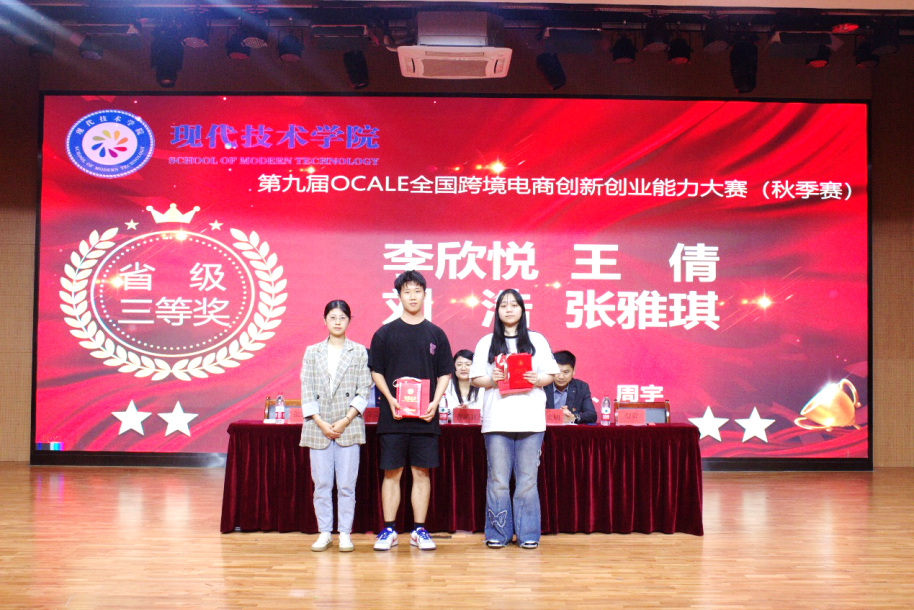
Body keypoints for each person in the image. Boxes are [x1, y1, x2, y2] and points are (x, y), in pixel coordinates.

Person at [368, 270, 454, 551]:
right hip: (392, 415)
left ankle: (419, 530)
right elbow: (376, 371)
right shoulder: (384, 333)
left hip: (425, 416)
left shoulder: (436, 334)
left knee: (421, 473)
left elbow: (445, 373)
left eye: (418, 291)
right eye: (407, 291)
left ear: (425, 295)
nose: (413, 296)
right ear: (399, 296)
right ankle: (389, 530)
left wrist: (435, 402)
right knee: (391, 473)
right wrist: (390, 398)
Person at [470, 289, 558, 550]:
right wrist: (492, 380)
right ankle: (498, 533)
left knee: (527, 480)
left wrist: (536, 379)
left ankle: (528, 533)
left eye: (514, 305)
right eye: (503, 305)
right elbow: (475, 378)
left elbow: (550, 374)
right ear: (497, 311)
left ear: (522, 309)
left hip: (530, 421)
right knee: (498, 480)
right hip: (497, 421)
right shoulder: (486, 342)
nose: (509, 309)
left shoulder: (536, 340)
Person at [299, 300, 371, 553]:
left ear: (349, 320)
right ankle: (325, 532)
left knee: (346, 486)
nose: (337, 322)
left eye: (342, 317)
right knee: (321, 484)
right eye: (332, 317)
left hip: (348, 425)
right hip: (318, 426)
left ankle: (345, 534)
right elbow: (306, 389)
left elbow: (364, 389)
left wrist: (346, 419)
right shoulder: (312, 352)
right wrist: (320, 421)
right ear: (325, 320)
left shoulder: (359, 351)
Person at [545, 350, 597, 425]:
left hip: (570, 431)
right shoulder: (543, 386)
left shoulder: (581, 387)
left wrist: (573, 417)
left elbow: (592, 415)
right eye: (557, 372)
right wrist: (557, 415)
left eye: (566, 372)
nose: (561, 377)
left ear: (573, 371)